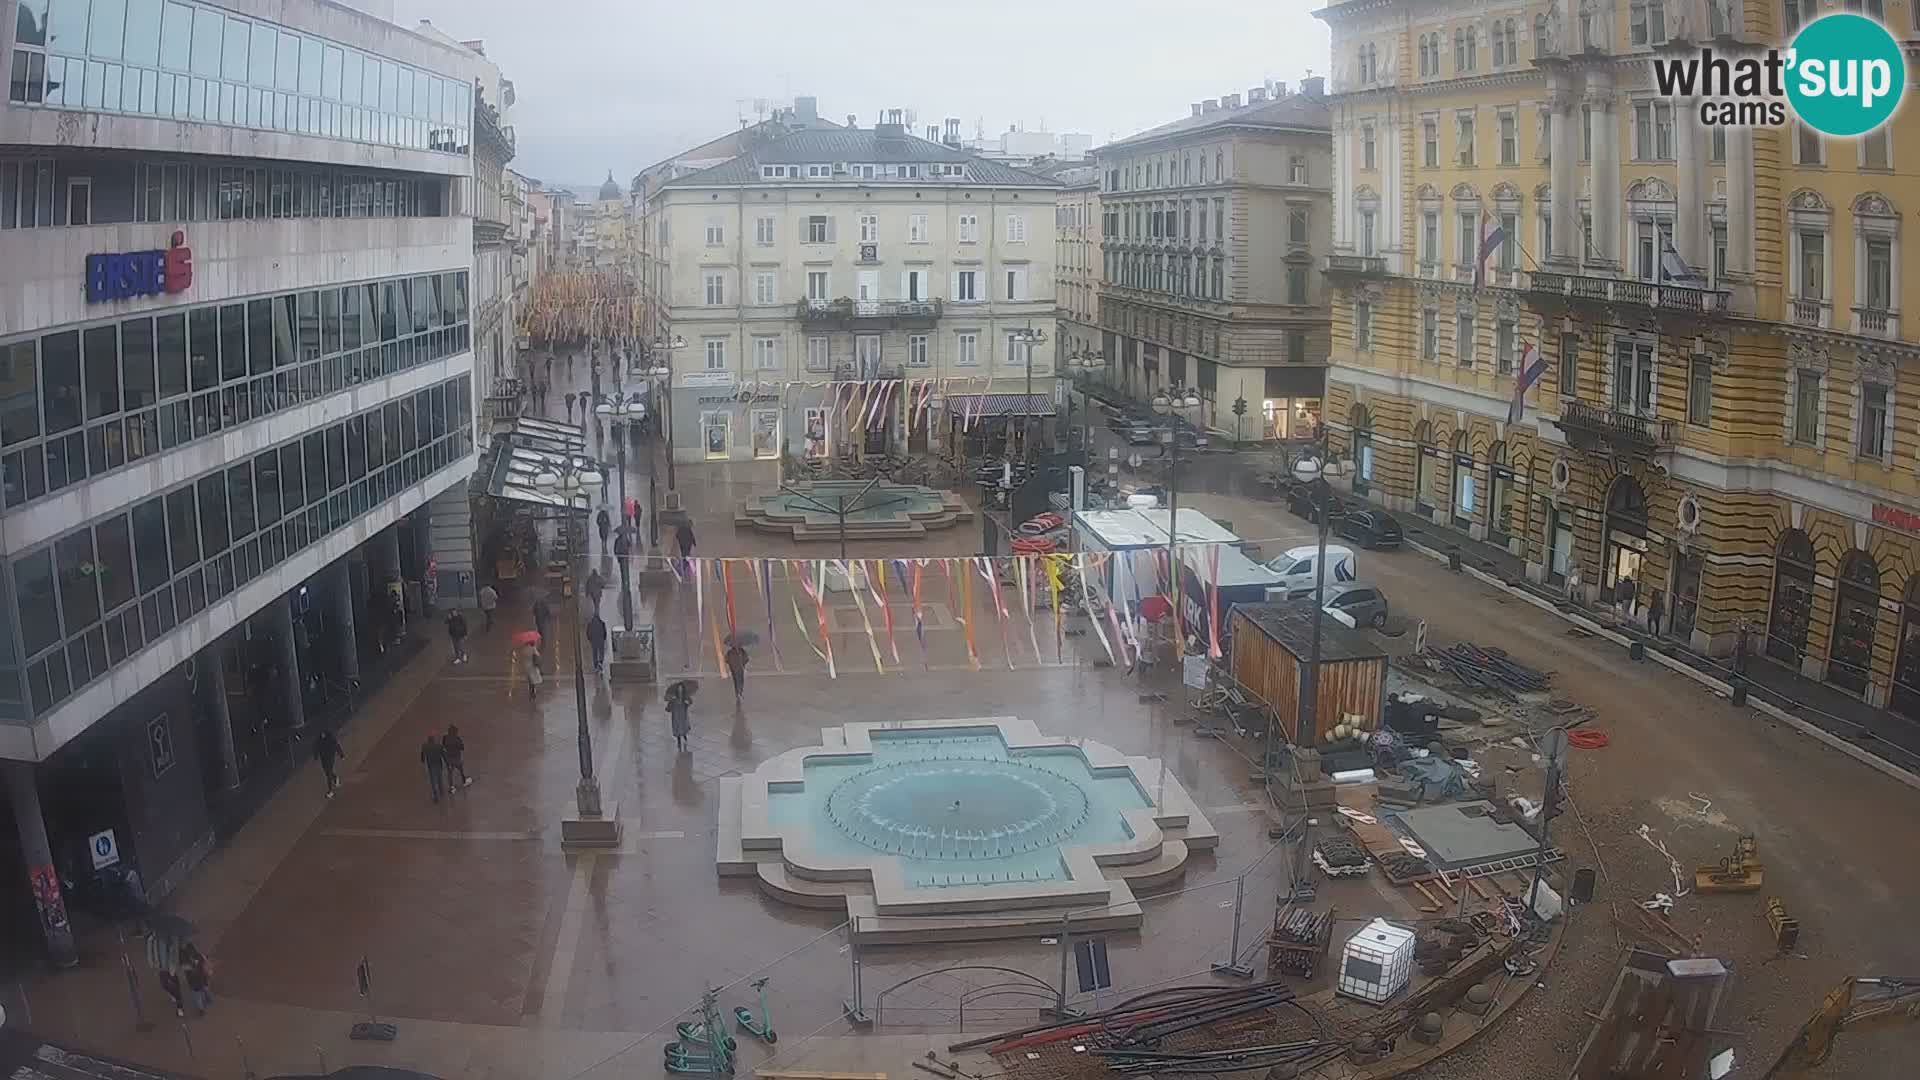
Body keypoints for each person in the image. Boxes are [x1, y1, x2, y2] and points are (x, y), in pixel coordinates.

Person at [180, 942, 213, 1015]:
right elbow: (205, 961)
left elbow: (184, 967)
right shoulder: (198, 955)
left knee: (197, 994)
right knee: (204, 988)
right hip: (201, 977)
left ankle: (201, 1009)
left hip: (194, 980)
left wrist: (192, 966)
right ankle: (208, 999)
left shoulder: (183, 956)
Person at [314, 728, 343, 798]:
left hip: (330, 758)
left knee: (328, 774)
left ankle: (330, 791)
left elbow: (337, 745)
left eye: (323, 733)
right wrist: (316, 755)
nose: (322, 735)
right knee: (327, 772)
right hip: (323, 759)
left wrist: (341, 754)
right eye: (321, 734)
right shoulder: (319, 739)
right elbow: (316, 747)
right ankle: (335, 778)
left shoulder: (331, 739)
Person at [420, 731, 447, 803]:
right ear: (433, 739)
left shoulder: (425, 746)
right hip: (438, 764)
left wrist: (422, 760)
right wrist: (447, 764)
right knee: (439, 779)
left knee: (433, 782)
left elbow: (422, 755)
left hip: (431, 766)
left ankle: (436, 797)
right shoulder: (439, 746)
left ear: (428, 739)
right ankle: (441, 792)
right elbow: (444, 756)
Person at [443, 724, 472, 789]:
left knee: (450, 773)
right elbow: (462, 747)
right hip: (456, 758)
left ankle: (451, 786)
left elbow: (444, 746)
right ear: (455, 732)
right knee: (461, 770)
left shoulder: (445, 737)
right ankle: (464, 782)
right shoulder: (457, 739)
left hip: (449, 759)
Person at [667, 684, 692, 752]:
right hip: (676, 715)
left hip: (683, 715)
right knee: (677, 728)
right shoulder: (673, 698)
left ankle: (684, 737)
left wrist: (687, 703)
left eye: (681, 689)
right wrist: (670, 701)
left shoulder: (685, 697)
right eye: (679, 689)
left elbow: (690, 702)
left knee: (683, 727)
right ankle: (679, 742)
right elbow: (668, 709)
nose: (680, 690)